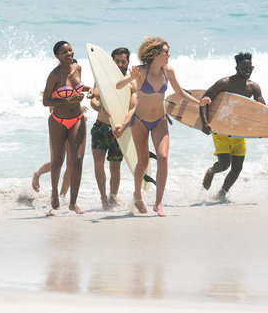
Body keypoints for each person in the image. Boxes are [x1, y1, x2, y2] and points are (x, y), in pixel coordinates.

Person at [116, 37, 210, 217]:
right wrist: (132, 77)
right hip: (140, 121)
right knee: (143, 161)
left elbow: (180, 93)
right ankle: (137, 194)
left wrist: (199, 102)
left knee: (163, 157)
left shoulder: (169, 71)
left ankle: (158, 204)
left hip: (160, 120)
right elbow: (118, 85)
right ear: (156, 54)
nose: (169, 55)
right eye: (166, 52)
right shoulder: (141, 71)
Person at [200, 52, 265, 201]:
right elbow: (204, 100)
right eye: (244, 67)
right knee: (224, 165)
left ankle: (222, 194)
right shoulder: (224, 83)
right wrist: (204, 123)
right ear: (236, 67)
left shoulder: (253, 87)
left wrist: (263, 127)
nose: (247, 70)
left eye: (250, 68)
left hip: (238, 133)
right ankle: (211, 172)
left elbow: (263, 110)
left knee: (237, 168)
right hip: (221, 131)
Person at [43, 41, 89, 214]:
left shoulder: (78, 68)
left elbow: (79, 86)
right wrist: (68, 100)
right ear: (57, 56)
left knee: (77, 160)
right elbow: (46, 101)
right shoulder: (54, 76)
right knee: (58, 160)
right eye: (64, 52)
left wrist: (90, 90)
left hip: (77, 118)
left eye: (70, 50)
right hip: (58, 121)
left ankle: (73, 202)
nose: (69, 53)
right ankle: (54, 194)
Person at [90, 47, 137, 210]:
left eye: (123, 61)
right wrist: (98, 108)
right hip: (100, 128)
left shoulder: (132, 83)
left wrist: (123, 126)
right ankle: (104, 199)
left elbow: (133, 108)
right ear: (111, 61)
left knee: (115, 167)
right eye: (117, 60)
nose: (120, 64)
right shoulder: (101, 78)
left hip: (120, 130)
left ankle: (113, 197)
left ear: (128, 62)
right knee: (98, 164)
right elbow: (94, 100)